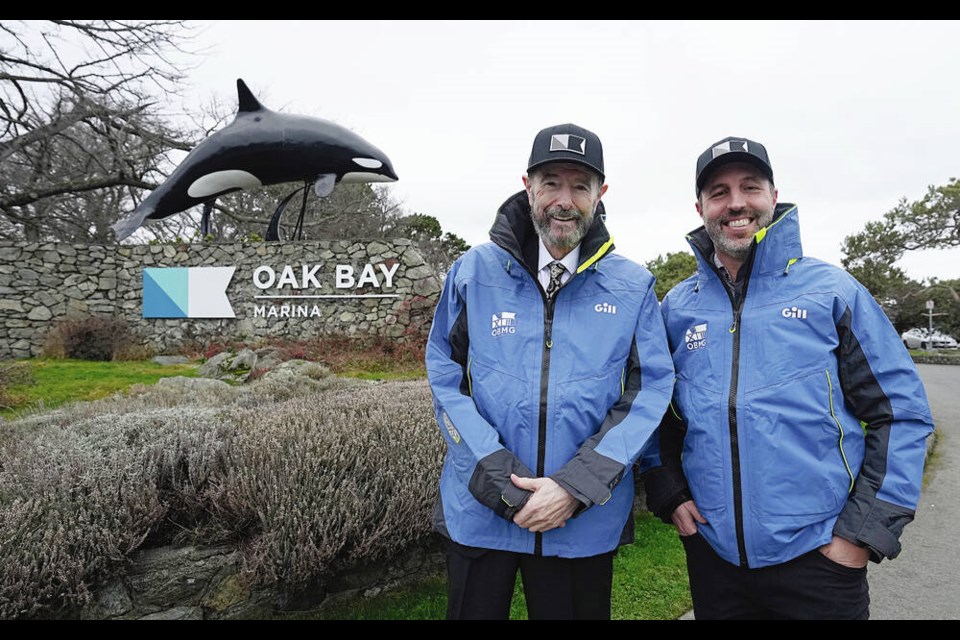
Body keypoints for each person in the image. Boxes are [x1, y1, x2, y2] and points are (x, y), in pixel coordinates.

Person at [641, 136, 935, 620]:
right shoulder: (677, 308)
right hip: (714, 560)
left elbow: (900, 416)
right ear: (700, 207)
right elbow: (656, 412)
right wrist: (670, 493)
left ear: (773, 197)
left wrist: (862, 533)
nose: (736, 202)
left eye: (750, 187)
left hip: (820, 561)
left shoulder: (832, 292)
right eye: (718, 191)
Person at [425, 123, 675, 620]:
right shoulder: (473, 271)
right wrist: (502, 482)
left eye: (580, 186)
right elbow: (444, 375)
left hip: (579, 524)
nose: (565, 200)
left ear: (600, 194)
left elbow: (650, 390)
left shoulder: (633, 285)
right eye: (552, 183)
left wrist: (573, 487)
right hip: (481, 514)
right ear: (528, 186)